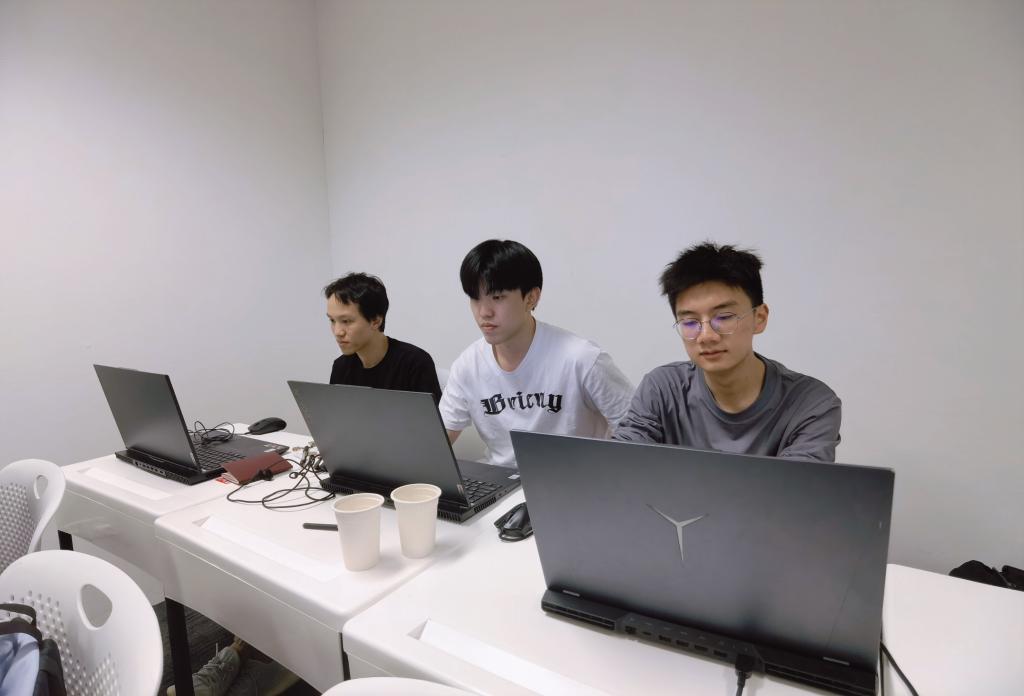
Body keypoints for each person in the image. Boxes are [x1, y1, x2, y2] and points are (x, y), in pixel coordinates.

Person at [614, 242, 841, 461]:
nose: (706, 336)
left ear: (760, 318)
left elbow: (796, 484)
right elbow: (620, 464)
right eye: (690, 322)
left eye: (724, 317)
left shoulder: (811, 403)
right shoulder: (663, 389)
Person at [440, 239, 633, 467]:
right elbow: (437, 443)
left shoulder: (583, 360)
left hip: (575, 481)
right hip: (502, 482)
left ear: (531, 298)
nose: (484, 312)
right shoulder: (468, 365)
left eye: (497, 297)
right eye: (475, 298)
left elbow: (637, 434)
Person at [326, 273, 441, 403]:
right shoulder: (341, 367)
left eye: (346, 321)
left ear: (376, 321)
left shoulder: (414, 362)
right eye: (332, 320)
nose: (337, 332)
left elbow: (429, 416)